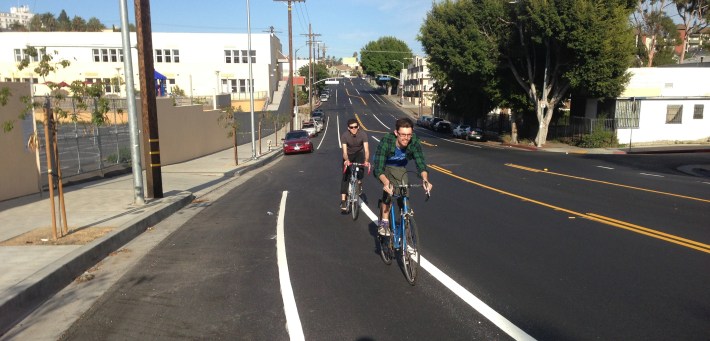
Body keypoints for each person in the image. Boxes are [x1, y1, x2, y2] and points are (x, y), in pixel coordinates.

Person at [372, 117, 432, 236]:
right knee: (389, 189)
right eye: (403, 135)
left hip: (400, 167)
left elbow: (421, 163)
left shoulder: (413, 141)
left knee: (404, 190)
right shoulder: (387, 141)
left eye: (409, 135)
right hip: (384, 165)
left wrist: (425, 180)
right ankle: (384, 222)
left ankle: (406, 217)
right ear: (396, 133)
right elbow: (378, 168)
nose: (406, 138)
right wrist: (385, 182)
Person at [340, 118, 370, 211]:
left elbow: (366, 150)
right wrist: (347, 160)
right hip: (348, 155)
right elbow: (344, 152)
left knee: (360, 171)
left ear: (358, 127)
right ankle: (344, 201)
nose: (354, 129)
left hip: (358, 154)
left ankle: (359, 182)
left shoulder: (363, 134)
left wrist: (366, 160)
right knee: (346, 177)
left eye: (355, 127)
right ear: (348, 128)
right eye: (351, 127)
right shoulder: (344, 136)